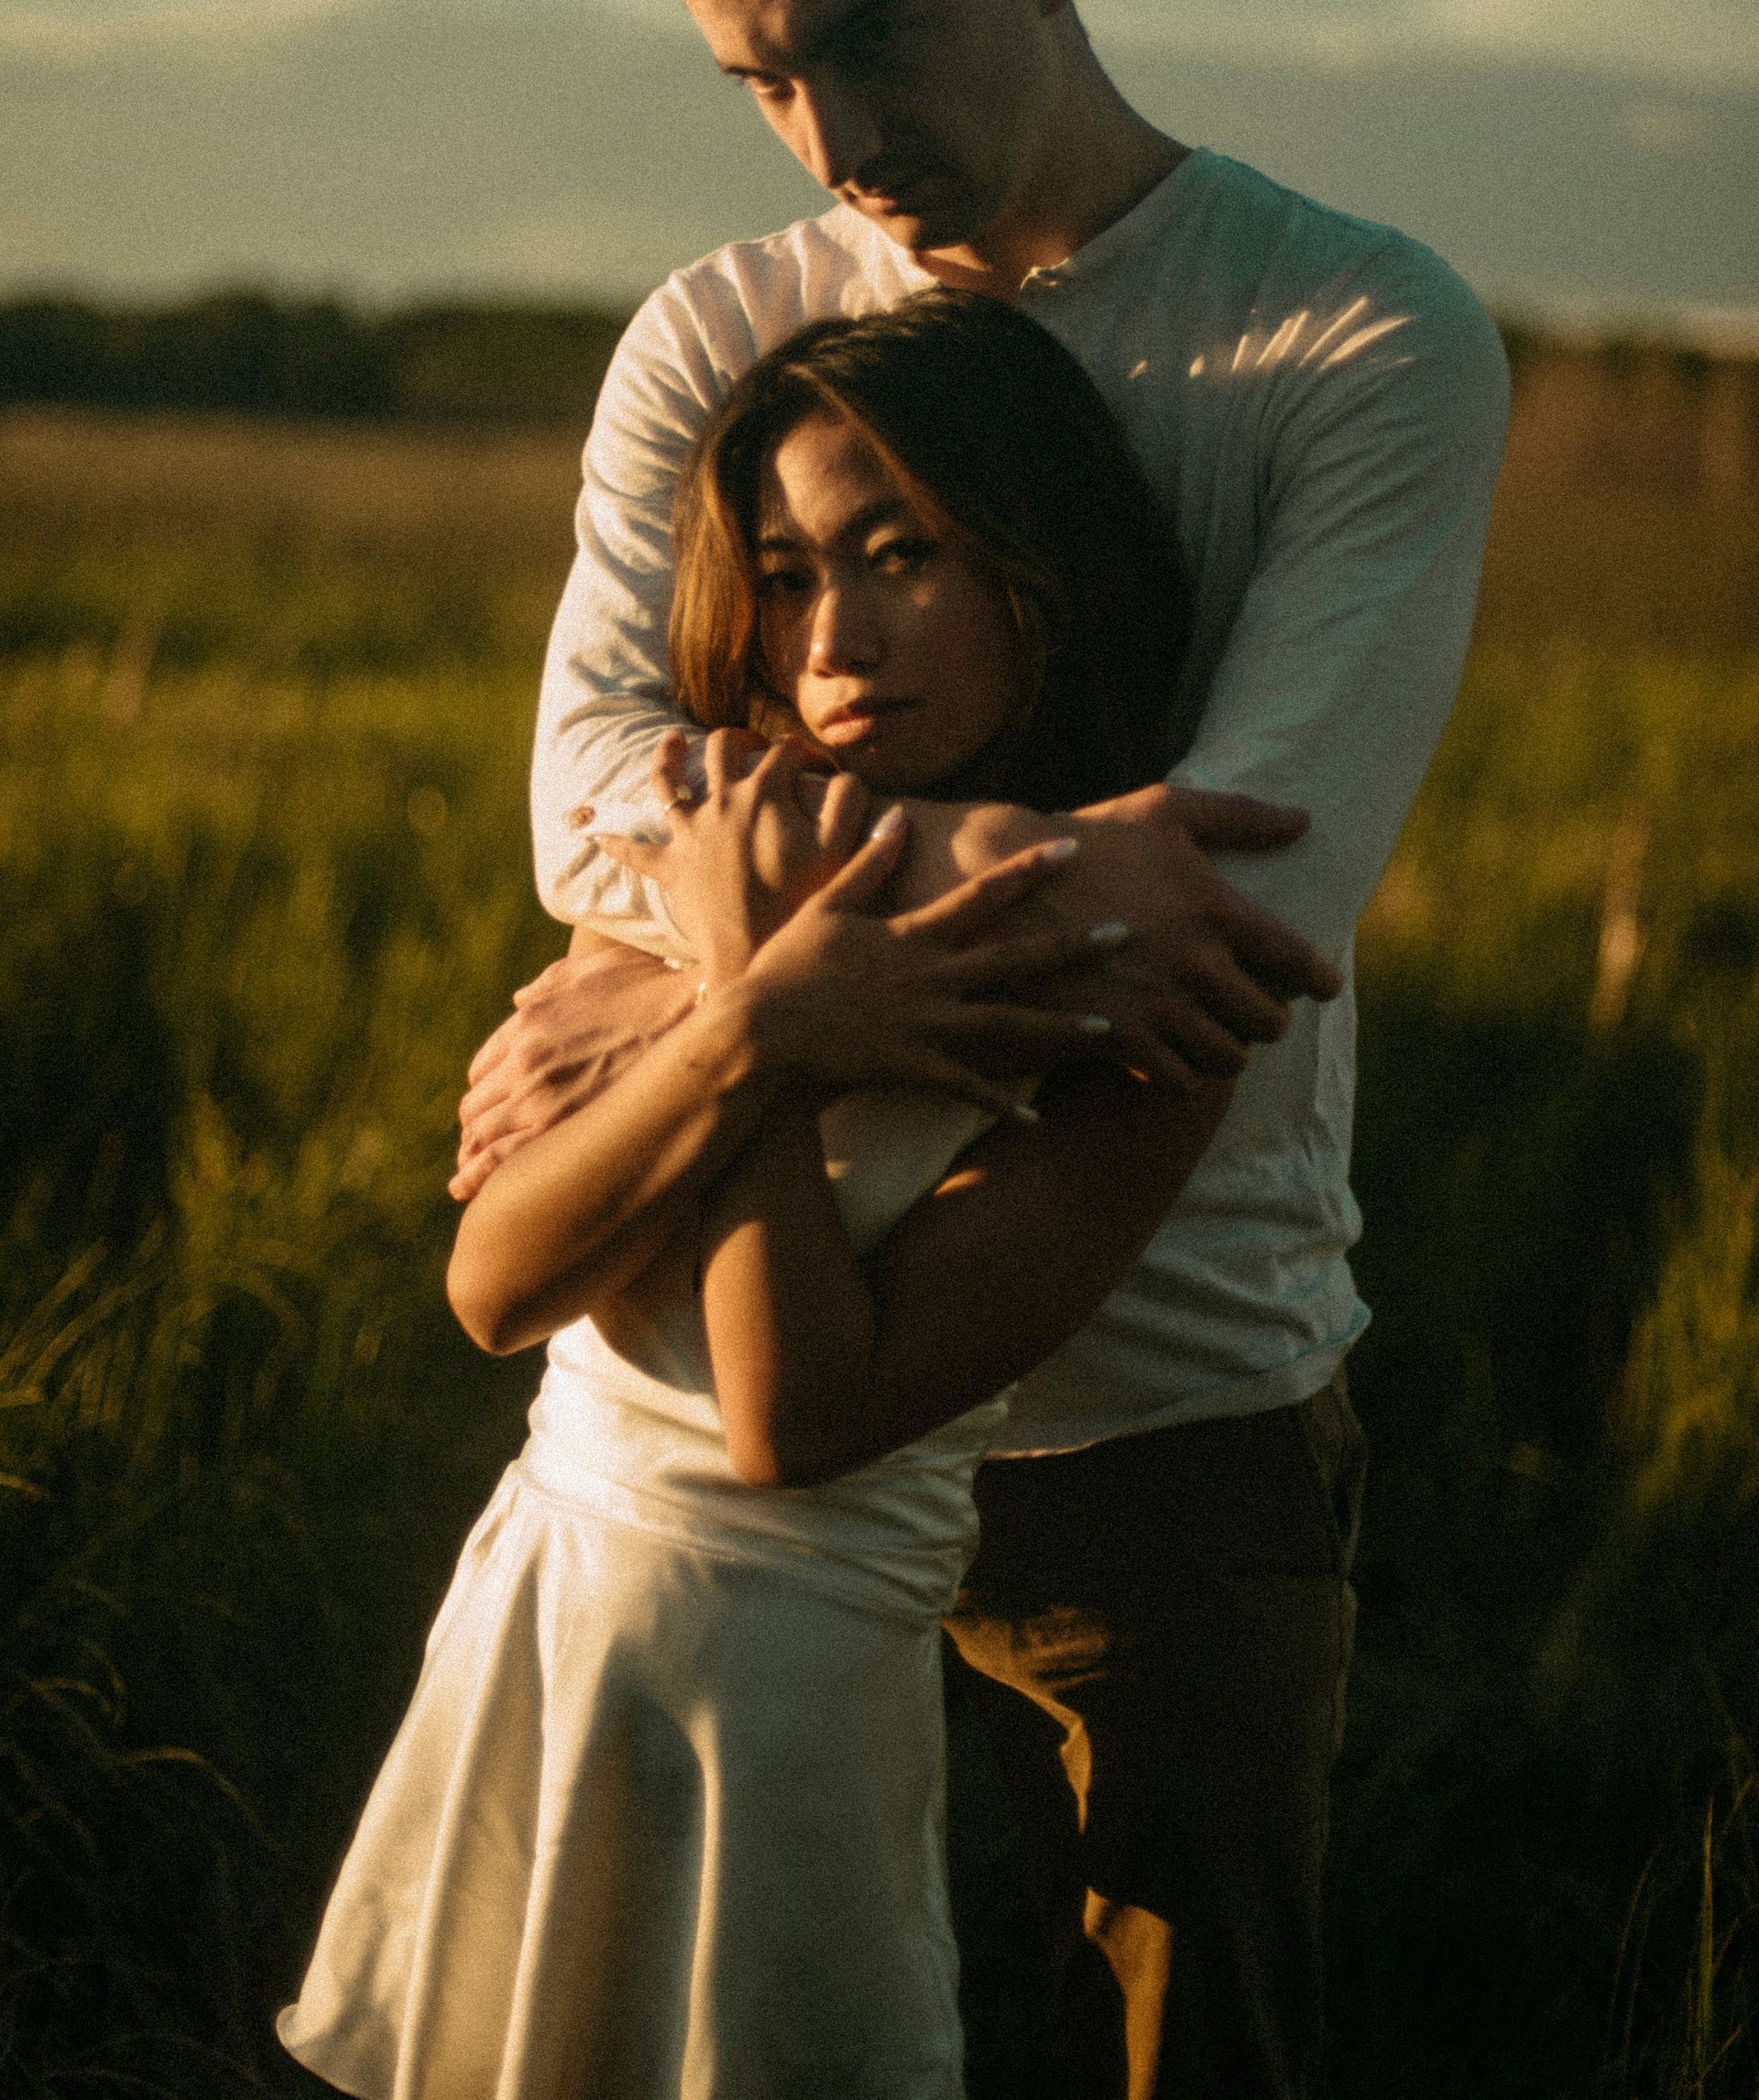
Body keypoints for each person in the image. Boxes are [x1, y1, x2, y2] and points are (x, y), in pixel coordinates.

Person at [455, 0, 1511, 2096]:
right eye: (757, 77)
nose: (833, 135)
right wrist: (768, 970)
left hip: (1158, 1428)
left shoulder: (1356, 338)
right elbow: (585, 800)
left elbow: (1231, 900)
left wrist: (710, 963)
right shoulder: (722, 330)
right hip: (711, 1421)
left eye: (878, 35)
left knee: (1178, 2050)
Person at [278, 295, 1235, 2100]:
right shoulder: (684, 896)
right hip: (546, 1617)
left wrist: (766, 1018)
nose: (834, 636)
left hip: (780, 1704)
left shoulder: (1130, 1016)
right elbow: (492, 1289)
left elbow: (799, 1418)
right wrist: (757, 1009)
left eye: (900, 556)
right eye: (786, 574)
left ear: (1038, 565)